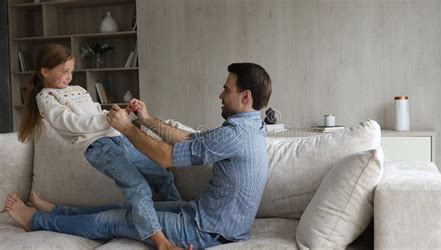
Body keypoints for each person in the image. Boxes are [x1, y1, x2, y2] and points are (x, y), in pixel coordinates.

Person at [7, 62, 272, 249]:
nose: (220, 94)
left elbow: (166, 158)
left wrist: (126, 128)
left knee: (116, 220)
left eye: (227, 89)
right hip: (205, 218)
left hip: (207, 232)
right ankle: (60, 211)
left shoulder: (236, 135)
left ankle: (36, 220)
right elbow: (191, 140)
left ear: (245, 96)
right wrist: (145, 119)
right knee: (128, 207)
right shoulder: (248, 127)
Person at [16, 43, 182, 247]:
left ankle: (182, 214)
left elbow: (97, 114)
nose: (69, 76)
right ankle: (161, 240)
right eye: (64, 71)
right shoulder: (47, 98)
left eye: (71, 71)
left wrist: (121, 113)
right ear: (45, 71)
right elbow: (70, 123)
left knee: (161, 174)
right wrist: (107, 121)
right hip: (99, 146)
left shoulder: (78, 89)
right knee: (137, 186)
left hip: (118, 137)